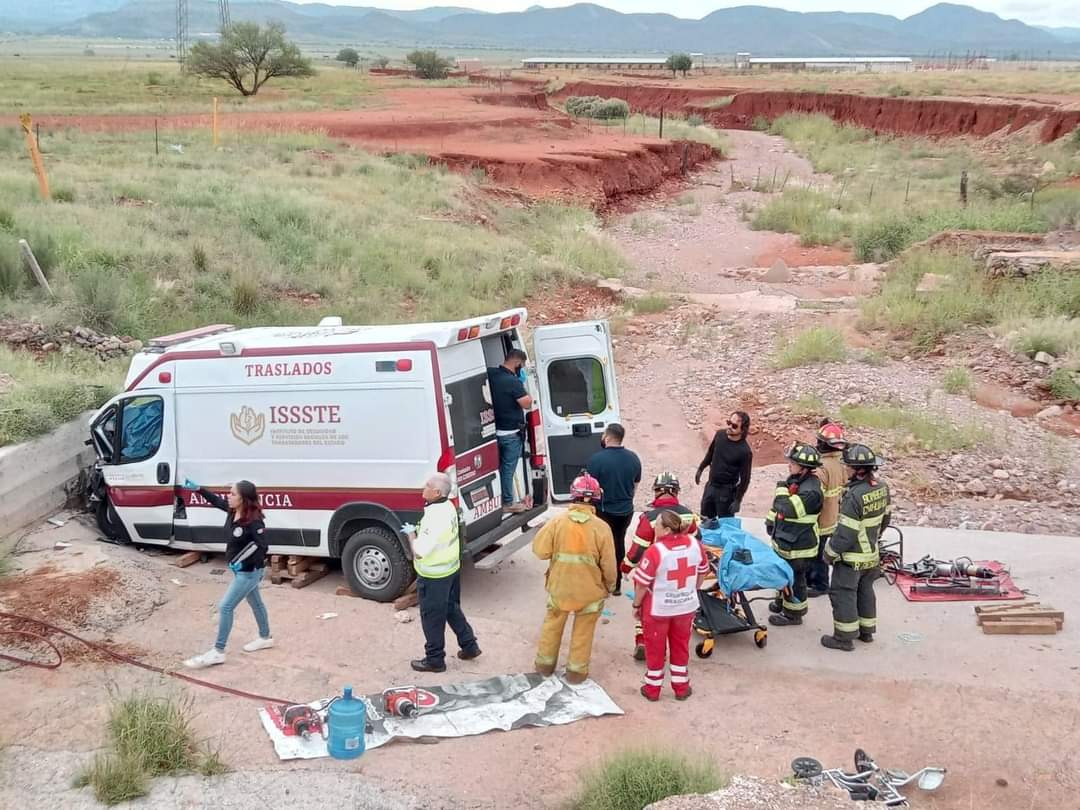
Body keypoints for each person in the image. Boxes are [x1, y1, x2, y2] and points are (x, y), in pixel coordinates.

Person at [532, 473, 616, 684]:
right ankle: (576, 674)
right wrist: (610, 586)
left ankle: (544, 666)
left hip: (560, 588)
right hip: (589, 592)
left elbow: (540, 551)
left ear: (572, 495)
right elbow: (609, 565)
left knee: (552, 626)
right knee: (583, 633)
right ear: (596, 498)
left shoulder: (557, 522)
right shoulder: (602, 528)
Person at [182, 479, 272, 669]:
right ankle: (265, 638)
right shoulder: (233, 511)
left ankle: (218, 651)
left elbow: (262, 546)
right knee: (256, 602)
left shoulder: (254, 521)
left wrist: (243, 563)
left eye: (232, 494)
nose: (228, 497)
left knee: (226, 607)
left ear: (243, 499)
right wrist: (199, 489)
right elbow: (216, 501)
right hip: (241, 570)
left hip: (249, 572)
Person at [631, 510, 710, 701]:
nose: (654, 528)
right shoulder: (695, 545)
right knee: (681, 647)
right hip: (685, 607)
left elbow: (642, 584)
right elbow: (703, 571)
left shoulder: (655, 551)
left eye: (657, 525)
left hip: (658, 609)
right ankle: (681, 687)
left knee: (655, 649)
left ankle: (652, 689)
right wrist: (691, 590)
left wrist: (636, 605)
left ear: (666, 529)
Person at [406, 472, 481, 673]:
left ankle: (435, 660)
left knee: (432, 618)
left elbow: (420, 552)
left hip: (434, 576)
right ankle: (469, 645)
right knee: (451, 608)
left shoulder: (434, 516)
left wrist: (411, 535)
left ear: (437, 492)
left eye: (427, 485)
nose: (424, 487)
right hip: (450, 570)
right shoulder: (447, 507)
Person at [821, 444, 891, 652]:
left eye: (848, 466)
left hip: (851, 559)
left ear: (858, 470)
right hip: (872, 555)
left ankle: (843, 638)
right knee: (865, 591)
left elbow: (845, 533)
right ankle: (866, 631)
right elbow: (886, 519)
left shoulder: (854, 495)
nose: (845, 469)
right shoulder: (881, 487)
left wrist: (830, 553)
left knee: (843, 593)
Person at [622, 472, 699, 661]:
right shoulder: (689, 515)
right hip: (681, 573)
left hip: (654, 574)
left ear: (656, 491)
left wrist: (625, 567)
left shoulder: (650, 518)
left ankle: (642, 642)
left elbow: (638, 549)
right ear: (676, 492)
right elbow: (698, 541)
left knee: (645, 609)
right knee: (677, 611)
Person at [765, 442, 823, 628]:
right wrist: (771, 522)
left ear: (804, 467)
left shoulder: (811, 491)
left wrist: (780, 489)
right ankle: (783, 603)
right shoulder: (797, 480)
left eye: (792, 462)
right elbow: (778, 511)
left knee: (796, 579)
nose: (789, 464)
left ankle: (794, 614)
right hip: (787, 540)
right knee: (783, 574)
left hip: (800, 546)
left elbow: (785, 507)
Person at [586, 423, 641, 595]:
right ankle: (616, 585)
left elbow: (591, 489)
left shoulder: (596, 460)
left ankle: (602, 582)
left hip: (604, 511)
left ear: (607, 437)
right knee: (618, 544)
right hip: (625, 511)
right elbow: (635, 485)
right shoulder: (633, 458)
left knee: (601, 548)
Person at [487, 349, 533, 514]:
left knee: (498, 468)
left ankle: (499, 500)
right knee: (508, 469)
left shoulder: (491, 374)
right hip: (510, 434)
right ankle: (507, 502)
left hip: (494, 432)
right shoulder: (513, 382)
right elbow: (527, 403)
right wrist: (523, 386)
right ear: (517, 364)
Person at [808, 420, 847, 597]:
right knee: (822, 551)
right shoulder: (841, 463)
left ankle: (820, 585)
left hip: (822, 520)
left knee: (817, 554)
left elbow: (816, 497)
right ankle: (816, 580)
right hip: (834, 517)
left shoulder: (821, 468)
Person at [695, 411, 753, 520]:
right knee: (704, 520)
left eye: (734, 426)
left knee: (725, 524)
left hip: (726, 492)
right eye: (729, 422)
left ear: (743, 429)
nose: (730, 427)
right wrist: (701, 468)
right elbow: (711, 453)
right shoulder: (720, 435)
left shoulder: (745, 452)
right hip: (711, 486)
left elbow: (745, 479)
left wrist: (737, 500)